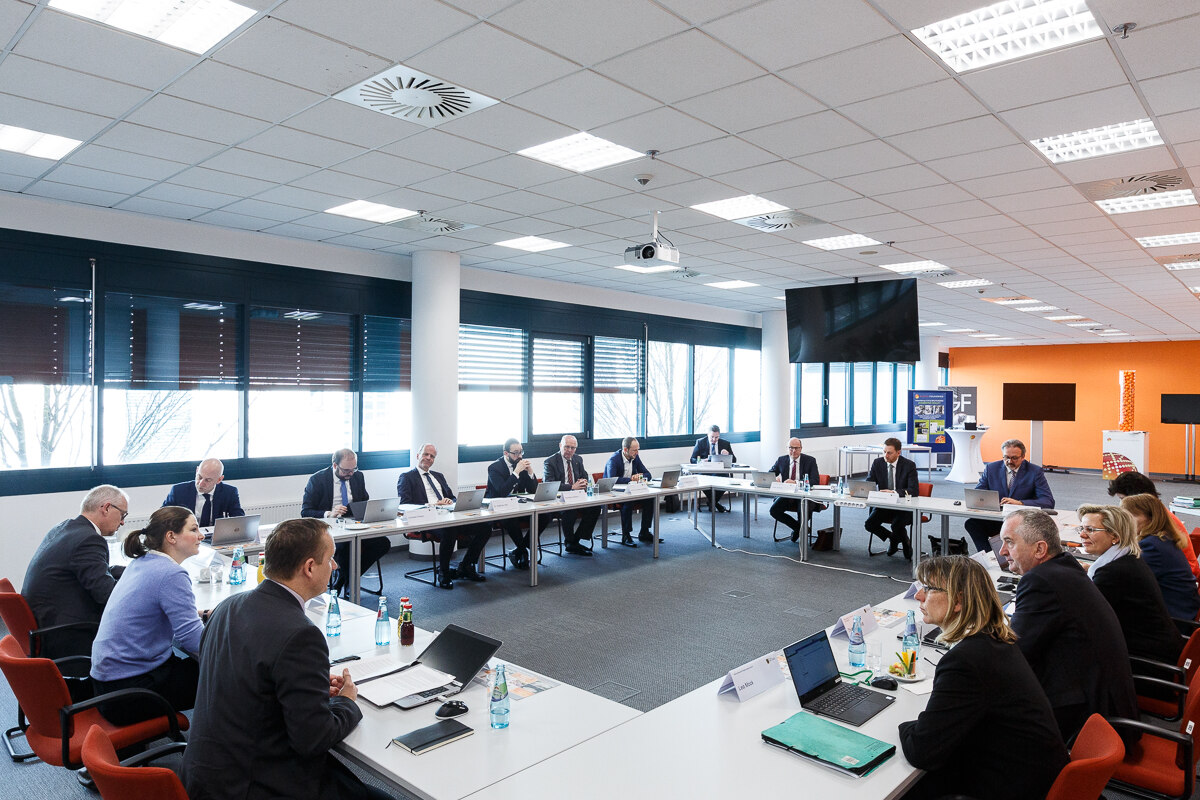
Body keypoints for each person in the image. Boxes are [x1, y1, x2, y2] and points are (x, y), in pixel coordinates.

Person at [182, 518, 391, 800]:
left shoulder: (227, 606)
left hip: (205, 774)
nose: (335, 567)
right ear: (309, 568)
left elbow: (252, 680)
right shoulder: (300, 635)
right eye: (330, 559)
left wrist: (308, 687)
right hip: (255, 784)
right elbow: (313, 740)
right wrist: (346, 701)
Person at [898, 556, 1067, 800]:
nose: (919, 596)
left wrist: (903, 726)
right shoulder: (996, 640)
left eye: (929, 589)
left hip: (1010, 787)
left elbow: (922, 751)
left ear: (958, 601)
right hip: (1033, 775)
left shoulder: (967, 660)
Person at [998, 508, 1138, 744]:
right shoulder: (1064, 567)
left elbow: (1015, 653)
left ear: (1040, 549)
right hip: (1103, 700)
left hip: (1086, 718)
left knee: (990, 709)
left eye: (1009, 543)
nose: (1002, 552)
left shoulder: (1041, 581)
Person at [90, 506, 206, 725]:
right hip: (131, 694)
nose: (201, 535)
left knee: (198, 664)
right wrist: (233, 641)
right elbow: (192, 639)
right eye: (194, 529)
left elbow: (150, 609)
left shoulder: (142, 562)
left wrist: (199, 614)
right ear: (171, 536)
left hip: (107, 686)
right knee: (225, 671)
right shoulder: (172, 574)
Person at [22, 484, 129, 658]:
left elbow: (97, 569)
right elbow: (107, 594)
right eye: (123, 514)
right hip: (68, 633)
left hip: (45, 621)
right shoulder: (89, 539)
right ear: (107, 508)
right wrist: (140, 588)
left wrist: (133, 572)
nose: (123, 521)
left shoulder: (66, 528)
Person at [1076, 503, 1184, 665]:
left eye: (1090, 530)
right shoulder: (1127, 559)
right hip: (1161, 648)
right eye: (1081, 529)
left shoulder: (1112, 573)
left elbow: (1083, 618)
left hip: (1148, 662)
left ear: (1115, 537)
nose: (1082, 535)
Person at [397, 443, 490, 589]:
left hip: (449, 516)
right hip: (428, 520)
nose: (428, 458)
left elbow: (452, 497)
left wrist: (449, 502)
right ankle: (444, 573)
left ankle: (465, 566)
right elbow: (404, 505)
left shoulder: (438, 476)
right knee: (449, 530)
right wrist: (433, 505)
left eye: (432, 456)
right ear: (418, 456)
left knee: (485, 527)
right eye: (426, 454)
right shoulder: (407, 477)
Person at [301, 448, 392, 596]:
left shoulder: (358, 476)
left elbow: (364, 502)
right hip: (328, 528)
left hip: (354, 525)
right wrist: (329, 513)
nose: (350, 474)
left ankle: (345, 580)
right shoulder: (318, 480)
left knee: (382, 543)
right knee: (345, 546)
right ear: (335, 465)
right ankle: (348, 582)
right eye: (346, 471)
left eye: (353, 469)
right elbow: (306, 511)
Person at [964, 438, 1054, 552]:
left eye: (1014, 458)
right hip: (997, 516)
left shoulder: (1035, 472)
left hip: (1022, 519)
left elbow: (1048, 501)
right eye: (1006, 457)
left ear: (1023, 457)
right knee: (972, 524)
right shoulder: (991, 468)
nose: (1010, 461)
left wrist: (1020, 503)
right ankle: (989, 555)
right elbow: (978, 494)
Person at [1121, 493, 1200, 619]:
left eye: (1132, 516)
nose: (1126, 521)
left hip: (1174, 619)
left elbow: (1128, 580)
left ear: (1151, 518)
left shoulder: (1152, 546)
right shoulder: (1164, 538)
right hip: (1183, 609)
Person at [1108, 470, 1200, 579]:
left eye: (1122, 499)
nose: (1121, 506)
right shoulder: (1158, 516)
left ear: (1138, 499)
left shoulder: (1156, 533)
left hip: (1175, 576)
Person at [543, 434, 600, 558]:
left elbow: (584, 476)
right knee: (571, 510)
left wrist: (584, 482)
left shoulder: (578, 459)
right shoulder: (550, 461)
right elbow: (549, 484)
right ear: (560, 446)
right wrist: (571, 487)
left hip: (578, 497)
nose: (570, 450)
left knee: (595, 507)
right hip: (559, 500)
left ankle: (575, 540)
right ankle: (570, 541)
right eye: (567, 447)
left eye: (573, 448)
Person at [486, 438, 537, 568]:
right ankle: (523, 551)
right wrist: (516, 472)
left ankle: (518, 550)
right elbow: (502, 491)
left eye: (521, 452)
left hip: (518, 506)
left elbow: (533, 490)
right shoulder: (494, 468)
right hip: (498, 508)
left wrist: (530, 472)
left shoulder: (521, 464)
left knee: (544, 516)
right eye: (515, 453)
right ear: (506, 453)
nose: (519, 456)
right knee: (511, 519)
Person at [864, 437, 918, 559]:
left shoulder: (909, 465)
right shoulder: (878, 463)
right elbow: (869, 483)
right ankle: (894, 538)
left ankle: (904, 542)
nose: (886, 456)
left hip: (903, 506)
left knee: (896, 525)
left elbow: (913, 490)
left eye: (889, 453)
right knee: (869, 524)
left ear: (898, 452)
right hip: (884, 504)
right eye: (884, 452)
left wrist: (893, 492)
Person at [162, 458, 244, 530]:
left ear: (219, 479)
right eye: (199, 477)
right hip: (187, 537)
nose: (201, 483)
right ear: (197, 470)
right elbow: (162, 518)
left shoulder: (229, 492)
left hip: (214, 538)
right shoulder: (178, 491)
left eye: (208, 480)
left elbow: (239, 520)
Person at [604, 437, 655, 547]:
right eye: (634, 450)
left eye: (638, 450)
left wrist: (639, 476)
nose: (637, 453)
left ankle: (644, 532)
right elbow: (612, 479)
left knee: (650, 499)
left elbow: (648, 474)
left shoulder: (635, 457)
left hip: (631, 490)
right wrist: (631, 479)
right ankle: (626, 535)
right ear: (625, 449)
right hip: (614, 493)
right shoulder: (614, 460)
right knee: (628, 501)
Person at [768, 438, 820, 543]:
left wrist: (796, 482)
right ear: (787, 448)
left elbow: (815, 480)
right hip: (787, 495)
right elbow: (770, 474)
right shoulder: (781, 460)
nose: (793, 451)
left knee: (804, 510)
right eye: (791, 448)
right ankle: (799, 528)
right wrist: (775, 479)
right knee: (774, 510)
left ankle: (800, 529)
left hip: (805, 495)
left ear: (801, 449)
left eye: (796, 448)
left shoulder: (810, 461)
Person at [690, 424, 735, 512]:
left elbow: (734, 460)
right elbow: (692, 459)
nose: (714, 440)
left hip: (720, 471)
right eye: (712, 437)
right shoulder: (700, 442)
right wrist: (701, 461)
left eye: (717, 437)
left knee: (725, 479)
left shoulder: (725, 443)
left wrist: (728, 454)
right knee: (703, 480)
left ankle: (712, 502)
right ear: (707, 435)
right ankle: (714, 503)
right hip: (705, 471)